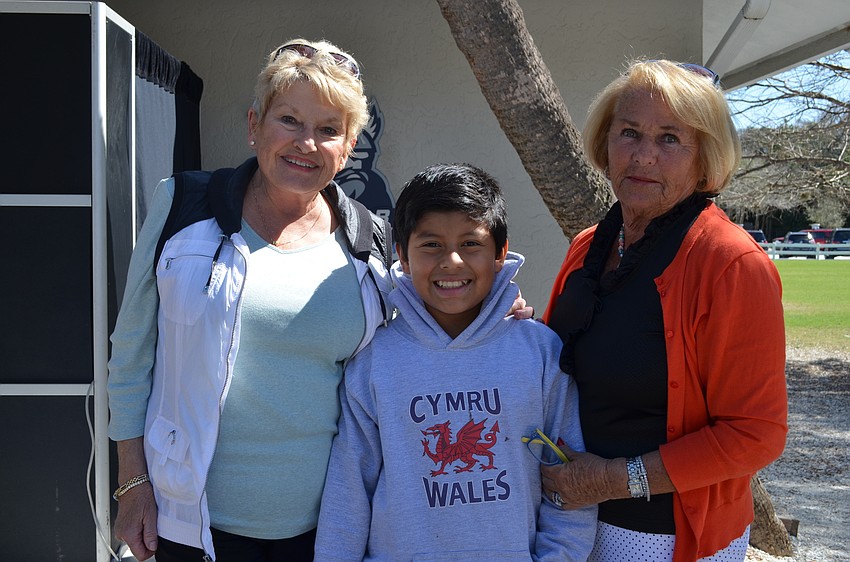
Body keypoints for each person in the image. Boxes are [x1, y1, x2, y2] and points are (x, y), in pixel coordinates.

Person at [106, 39, 395, 562]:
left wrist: (500, 317)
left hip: (327, 529)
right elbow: (131, 355)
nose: (306, 143)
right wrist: (132, 483)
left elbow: (407, 347)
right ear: (254, 125)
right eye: (289, 120)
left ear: (348, 146)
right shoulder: (184, 205)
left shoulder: (369, 242)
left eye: (328, 129)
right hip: (191, 523)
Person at [540, 59, 787, 562]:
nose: (643, 156)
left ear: (705, 159)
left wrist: (612, 480)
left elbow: (755, 434)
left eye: (670, 138)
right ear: (605, 143)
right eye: (629, 133)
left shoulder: (731, 263)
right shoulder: (589, 247)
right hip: (568, 521)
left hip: (666, 538)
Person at [313, 163, 597, 561]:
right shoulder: (375, 361)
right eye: (431, 244)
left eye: (470, 244)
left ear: (500, 253)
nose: (452, 261)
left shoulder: (540, 352)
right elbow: (349, 488)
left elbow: (568, 478)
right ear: (402, 255)